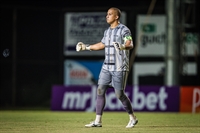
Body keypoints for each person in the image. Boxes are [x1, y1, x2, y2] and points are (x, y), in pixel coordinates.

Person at [76, 7, 138, 128]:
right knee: (100, 90)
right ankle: (98, 121)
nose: (107, 16)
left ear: (116, 17)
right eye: (107, 14)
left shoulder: (124, 30)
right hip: (106, 66)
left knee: (119, 94)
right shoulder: (107, 31)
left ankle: (132, 118)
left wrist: (122, 47)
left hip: (119, 67)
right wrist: (86, 47)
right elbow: (101, 45)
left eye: (110, 14)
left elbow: (130, 44)